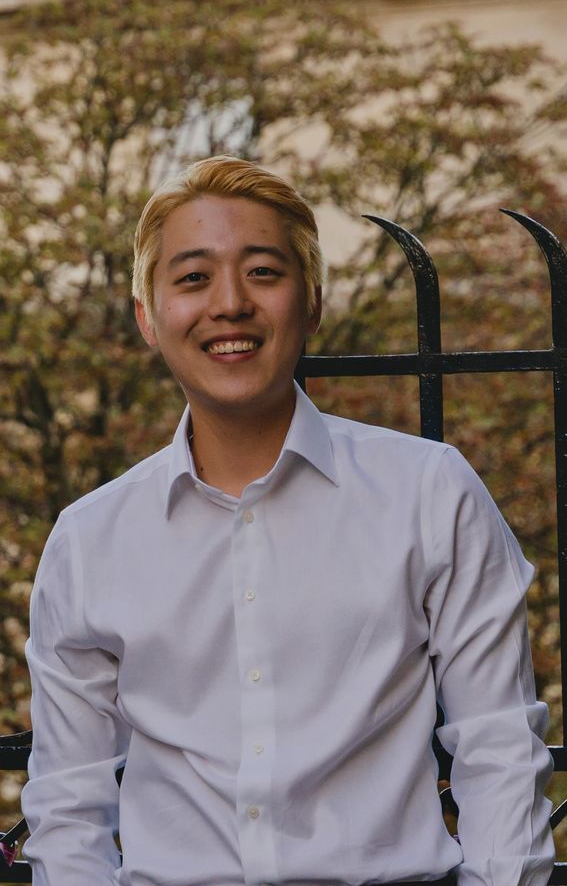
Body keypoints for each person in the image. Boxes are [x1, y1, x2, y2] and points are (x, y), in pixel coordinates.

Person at [22, 156, 554, 886]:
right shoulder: (89, 541)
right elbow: (68, 805)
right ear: (149, 316)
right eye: (192, 277)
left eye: (264, 272)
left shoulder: (428, 493)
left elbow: (497, 748)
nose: (230, 303)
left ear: (311, 304)